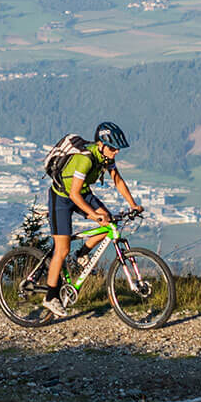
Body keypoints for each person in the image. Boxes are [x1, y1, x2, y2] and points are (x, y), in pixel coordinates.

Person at [41, 121, 140, 317]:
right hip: (62, 198)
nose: (116, 152)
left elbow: (117, 180)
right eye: (113, 148)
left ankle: (82, 253)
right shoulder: (85, 159)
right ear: (101, 144)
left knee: (110, 224)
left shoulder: (105, 158)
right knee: (62, 249)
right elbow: (73, 195)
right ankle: (50, 297)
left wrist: (133, 204)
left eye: (117, 149)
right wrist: (94, 215)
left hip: (82, 194)